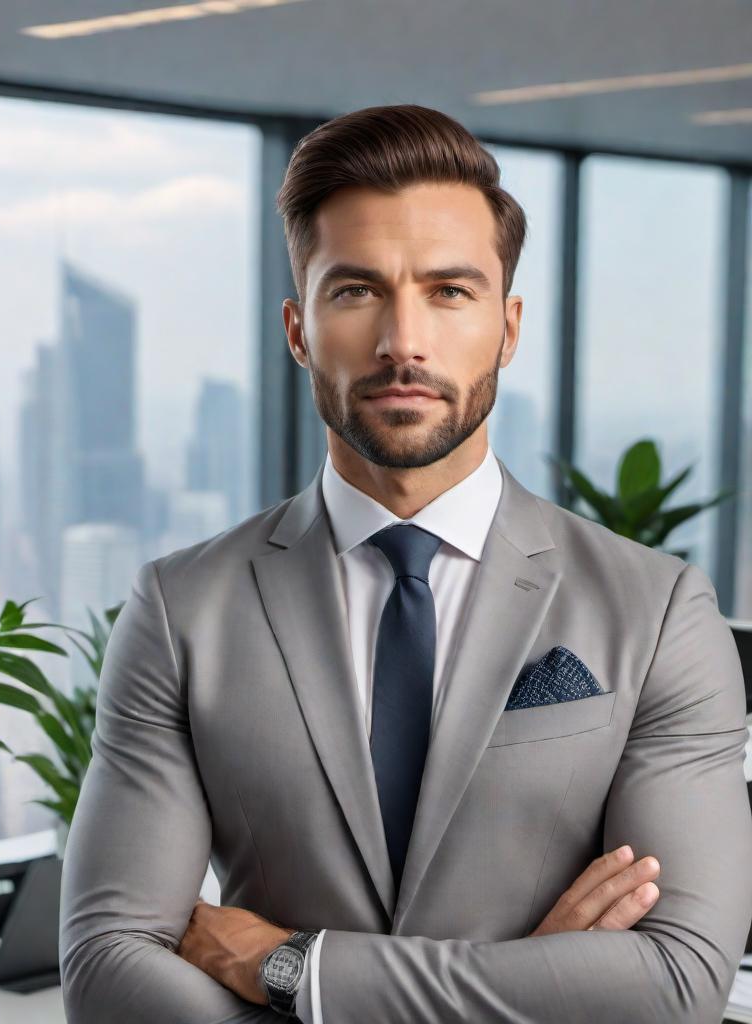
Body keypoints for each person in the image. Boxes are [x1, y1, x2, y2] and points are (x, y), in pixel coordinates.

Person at [58, 103, 752, 1023]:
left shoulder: (657, 610)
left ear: (507, 328)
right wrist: (530, 987)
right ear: (299, 330)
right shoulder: (184, 609)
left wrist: (294, 970)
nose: (403, 343)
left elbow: (679, 980)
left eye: (449, 292)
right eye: (355, 291)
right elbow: (108, 971)